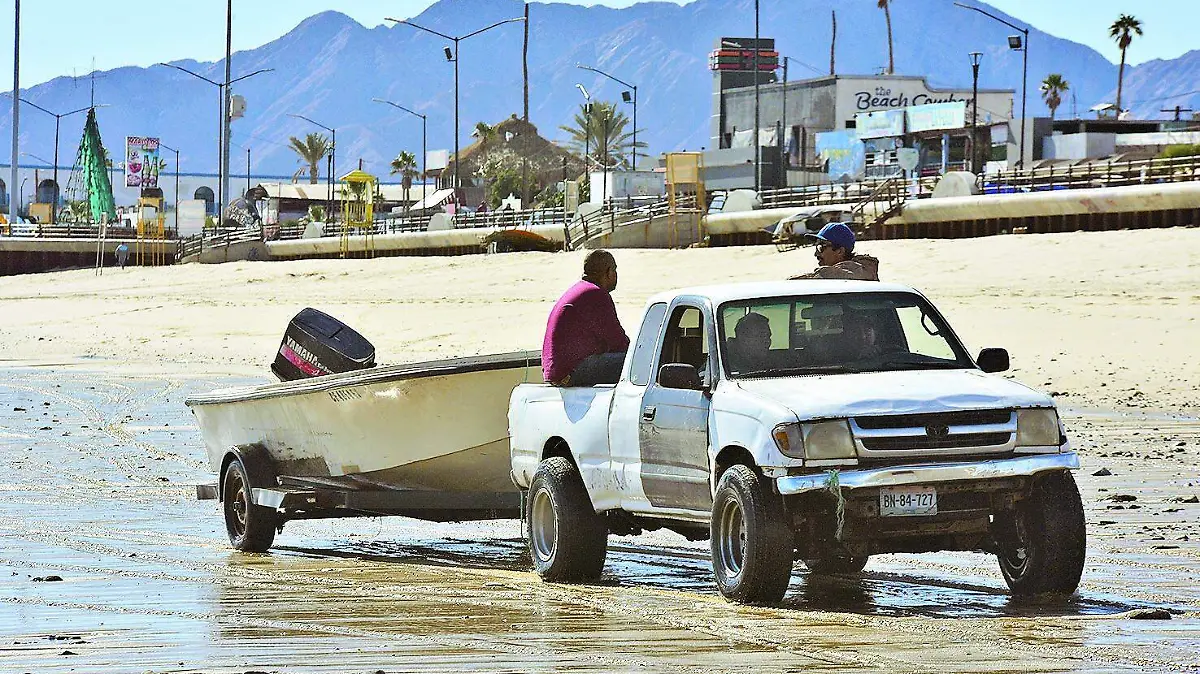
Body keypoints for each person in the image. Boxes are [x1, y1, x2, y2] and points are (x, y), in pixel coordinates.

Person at [542, 250, 630, 386]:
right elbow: (618, 341)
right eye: (615, 270)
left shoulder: (580, 290)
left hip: (556, 372)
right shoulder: (596, 294)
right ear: (608, 272)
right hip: (572, 371)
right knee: (638, 362)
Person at [789, 222, 879, 281]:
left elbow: (826, 274)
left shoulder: (860, 273)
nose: (816, 254)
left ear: (840, 251)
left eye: (821, 248)